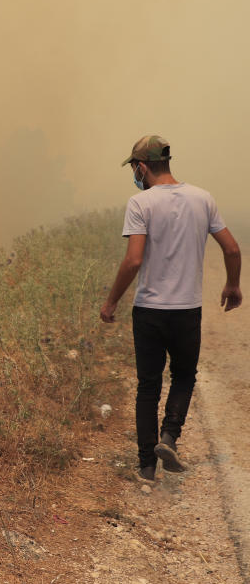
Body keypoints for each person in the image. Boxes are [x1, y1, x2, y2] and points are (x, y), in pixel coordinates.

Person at [100, 135, 242, 482]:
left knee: (148, 385)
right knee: (183, 377)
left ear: (142, 166)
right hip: (186, 310)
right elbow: (232, 249)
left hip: (149, 310)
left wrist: (112, 300)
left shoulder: (140, 203)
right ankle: (169, 437)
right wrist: (232, 284)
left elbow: (133, 261)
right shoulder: (202, 199)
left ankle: (147, 467)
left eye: (134, 167)